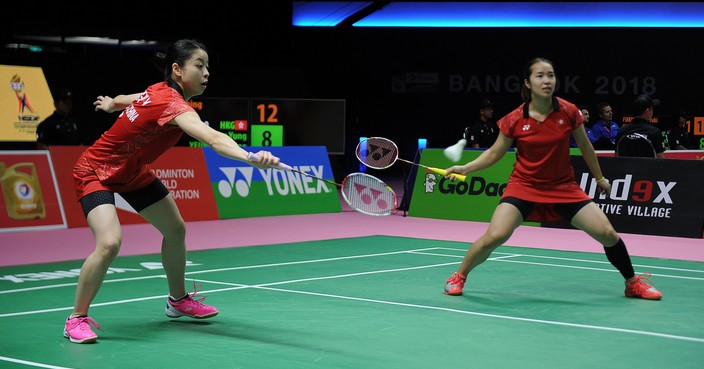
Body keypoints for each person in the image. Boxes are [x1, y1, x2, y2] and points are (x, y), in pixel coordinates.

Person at [63, 39, 281, 344]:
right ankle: (76, 318)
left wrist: (114, 103)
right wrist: (249, 157)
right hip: (95, 172)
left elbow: (134, 98)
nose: (207, 73)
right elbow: (212, 137)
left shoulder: (159, 91)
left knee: (175, 230)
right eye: (199, 65)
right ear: (177, 70)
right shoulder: (174, 105)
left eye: (208, 67)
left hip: (133, 173)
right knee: (110, 242)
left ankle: (177, 301)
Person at [441, 57, 662, 302]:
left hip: (563, 187)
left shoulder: (568, 111)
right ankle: (459, 276)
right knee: (496, 235)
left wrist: (599, 178)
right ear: (528, 82)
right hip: (524, 186)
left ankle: (632, 283)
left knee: (608, 233)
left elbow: (586, 147)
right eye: (540, 76)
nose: (547, 80)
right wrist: (466, 168)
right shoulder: (514, 119)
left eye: (551, 75)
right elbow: (494, 153)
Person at [614, 94, 666, 158]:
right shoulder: (654, 132)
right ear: (647, 111)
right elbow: (661, 161)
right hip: (648, 167)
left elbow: (617, 157)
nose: (652, 112)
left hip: (626, 167)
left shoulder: (621, 130)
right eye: (652, 109)